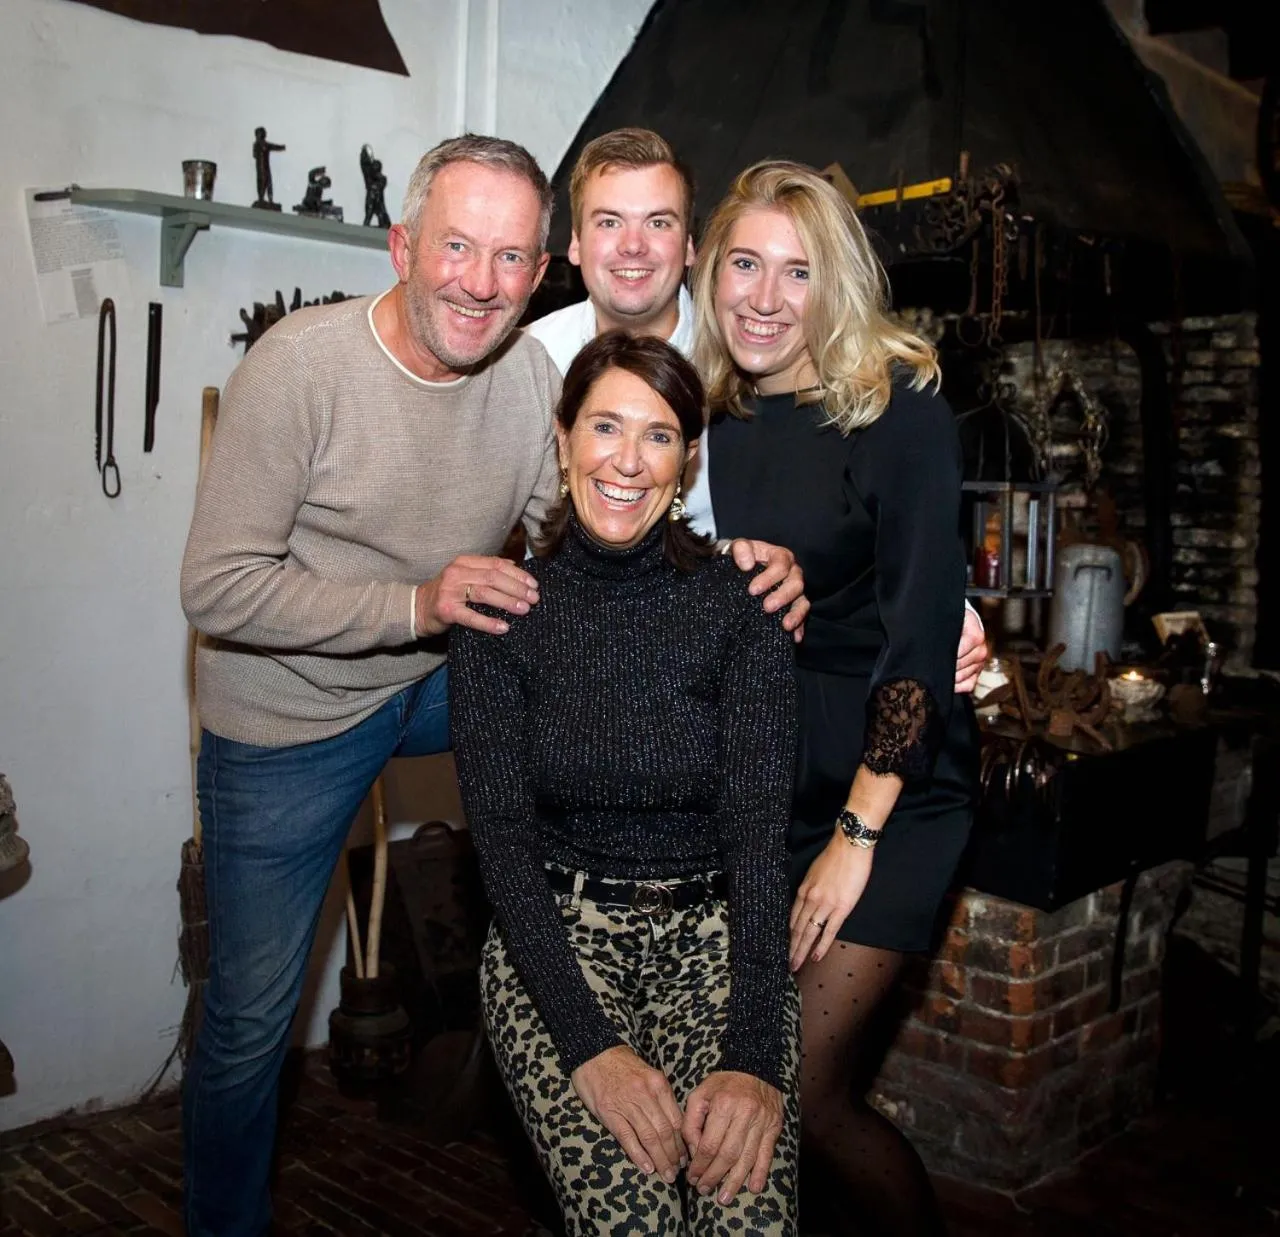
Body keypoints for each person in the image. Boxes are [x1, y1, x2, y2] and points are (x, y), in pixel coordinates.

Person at [179, 132, 805, 1237]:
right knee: (246, 1019)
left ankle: (598, 977)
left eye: (510, 258)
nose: (481, 281)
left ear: (538, 269)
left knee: (600, 730)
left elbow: (597, 522)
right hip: (291, 711)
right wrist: (418, 606)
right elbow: (218, 589)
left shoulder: (530, 381)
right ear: (401, 245)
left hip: (436, 674)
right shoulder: (298, 364)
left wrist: (754, 568)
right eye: (457, 248)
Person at [449, 331, 801, 1236]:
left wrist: (756, 1056)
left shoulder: (742, 605)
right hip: (555, 944)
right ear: (562, 438)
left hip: (719, 939)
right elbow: (504, 852)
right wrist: (590, 1046)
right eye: (605, 425)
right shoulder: (501, 613)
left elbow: (761, 846)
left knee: (744, 1210)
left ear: (686, 462)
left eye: (658, 436)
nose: (627, 460)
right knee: (630, 1213)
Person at [691, 161, 981, 1237]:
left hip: (891, 783)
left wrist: (856, 833)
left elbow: (916, 644)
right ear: (712, 273)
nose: (764, 297)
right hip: (770, 772)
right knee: (744, 1096)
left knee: (804, 1093)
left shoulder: (898, 413)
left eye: (797, 272)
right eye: (746, 264)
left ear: (838, 287)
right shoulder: (710, 416)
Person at [526, 127, 988, 687]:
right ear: (572, 243)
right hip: (567, 662)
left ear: (693, 246)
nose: (633, 246)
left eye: (659, 222)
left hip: (728, 684)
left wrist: (947, 614)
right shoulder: (530, 364)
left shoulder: (736, 362)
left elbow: (845, 503)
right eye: (608, 222)